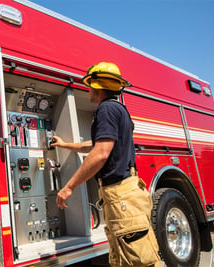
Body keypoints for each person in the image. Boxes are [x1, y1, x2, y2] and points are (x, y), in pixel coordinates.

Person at [51, 62, 161, 267]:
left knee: (135, 258)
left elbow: (100, 154)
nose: (88, 89)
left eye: (90, 84)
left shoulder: (106, 109)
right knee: (127, 254)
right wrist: (64, 144)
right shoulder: (117, 109)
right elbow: (93, 146)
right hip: (125, 193)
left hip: (121, 195)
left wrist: (68, 187)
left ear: (96, 85)